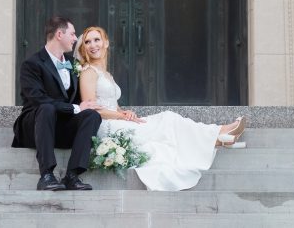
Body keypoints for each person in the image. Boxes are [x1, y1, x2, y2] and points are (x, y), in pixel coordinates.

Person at [75, 26, 246, 191]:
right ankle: (220, 134)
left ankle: (219, 136)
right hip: (106, 126)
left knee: (168, 119)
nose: (92, 45)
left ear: (106, 42)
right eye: (88, 42)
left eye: (96, 39)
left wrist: (124, 112)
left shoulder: (106, 74)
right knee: (167, 120)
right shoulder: (88, 72)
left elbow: (112, 105)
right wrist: (120, 117)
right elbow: (92, 111)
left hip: (117, 120)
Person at [12, 15, 103, 191]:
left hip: (62, 127)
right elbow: (38, 99)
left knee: (92, 115)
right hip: (36, 126)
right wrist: (75, 108)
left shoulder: (72, 63)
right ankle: (46, 175)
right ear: (59, 35)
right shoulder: (32, 64)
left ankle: (72, 175)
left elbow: (78, 99)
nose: (76, 39)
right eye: (73, 34)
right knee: (46, 107)